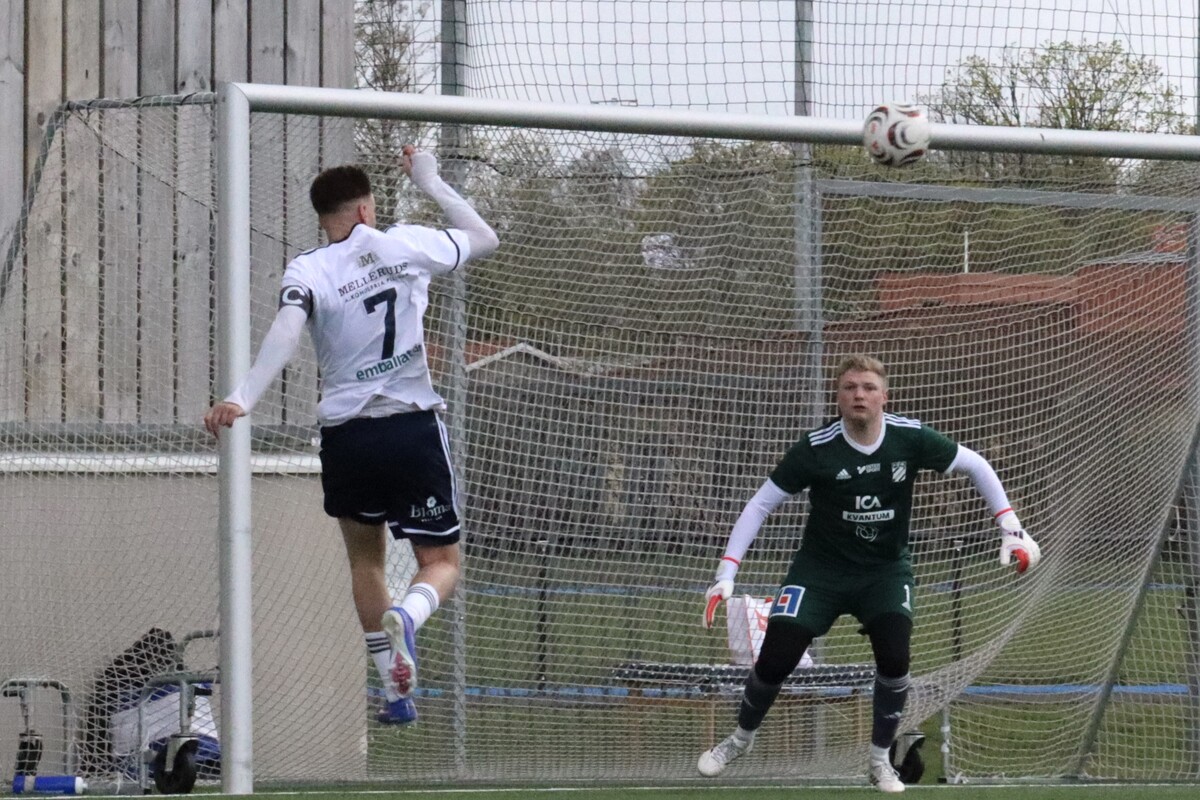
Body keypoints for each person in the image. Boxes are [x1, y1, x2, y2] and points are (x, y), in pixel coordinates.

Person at [204, 147, 499, 725]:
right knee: (441, 561)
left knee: (365, 562)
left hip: (346, 439)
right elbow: (484, 237)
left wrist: (241, 397)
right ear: (366, 209)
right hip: (410, 426)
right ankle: (409, 617)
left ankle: (395, 690)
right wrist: (430, 180)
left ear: (324, 218)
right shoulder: (404, 243)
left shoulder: (308, 268)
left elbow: (286, 331)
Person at [696, 354, 1041, 793]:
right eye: (850, 387)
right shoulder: (816, 448)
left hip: (884, 572)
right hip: (819, 572)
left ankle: (880, 762)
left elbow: (975, 464)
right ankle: (740, 740)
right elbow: (760, 504)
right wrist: (726, 573)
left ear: (884, 397)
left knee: (895, 659)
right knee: (776, 656)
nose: (859, 394)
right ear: (838, 397)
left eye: (868, 387)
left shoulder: (909, 438)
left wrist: (1011, 528)